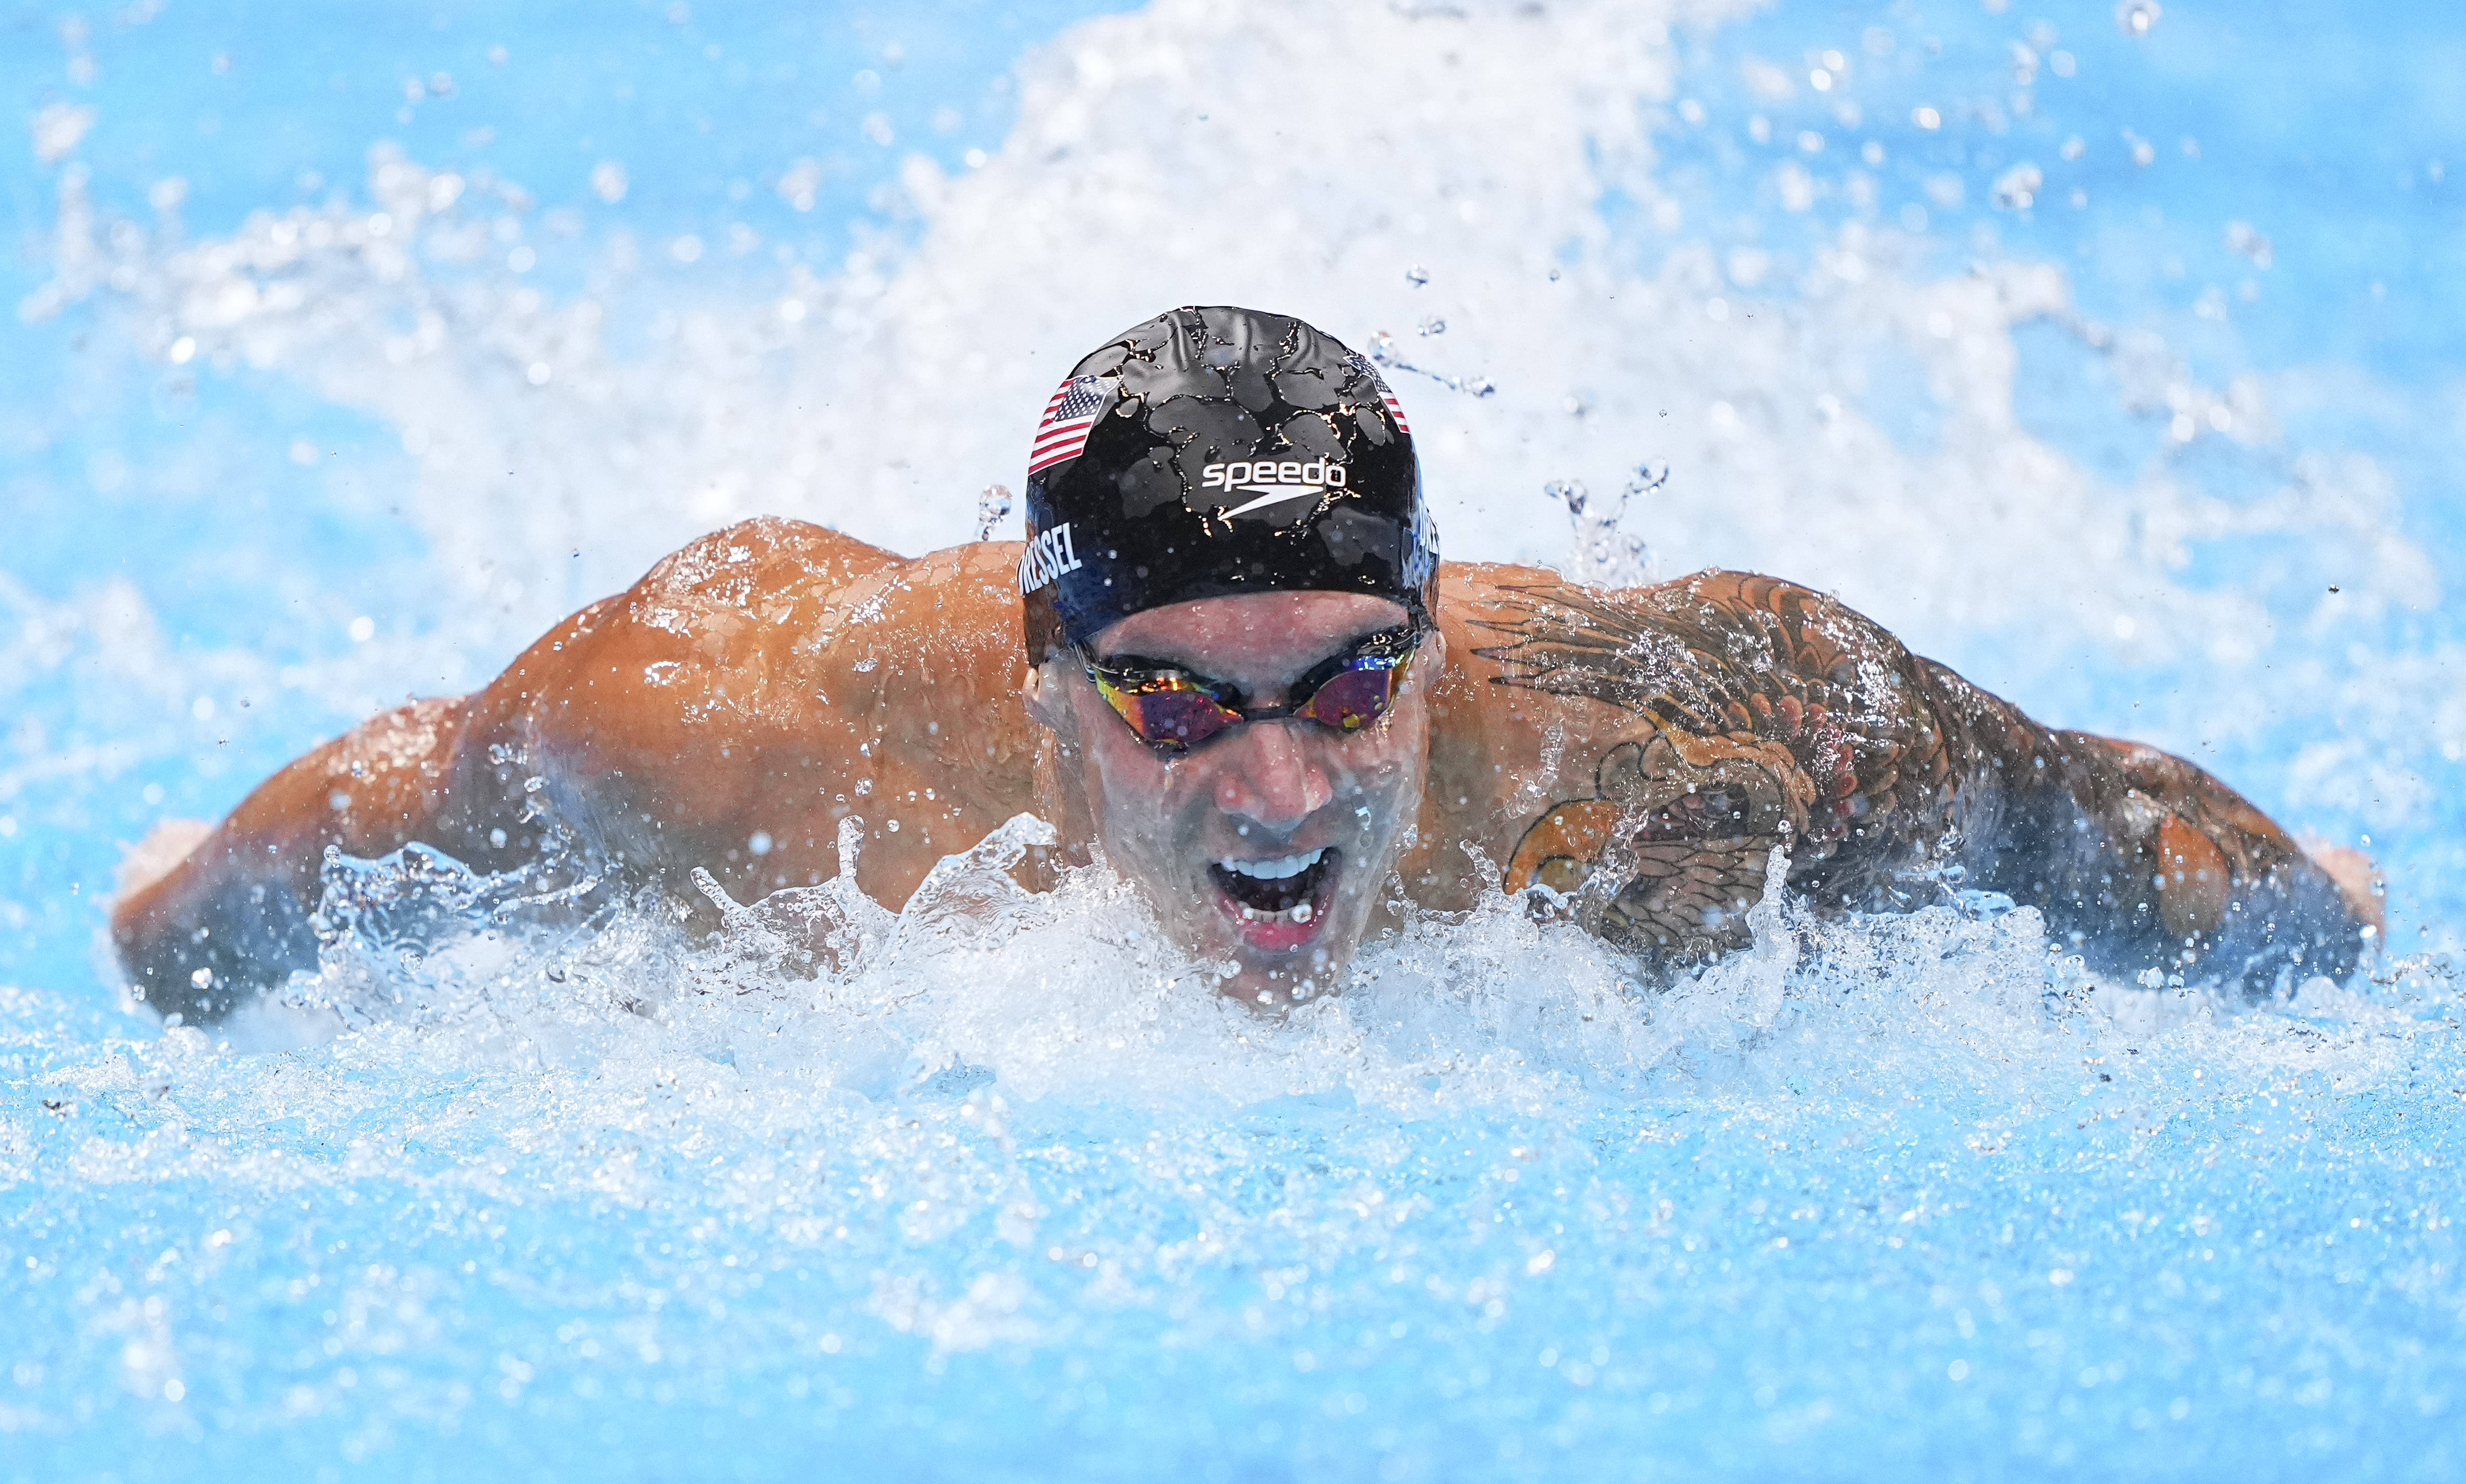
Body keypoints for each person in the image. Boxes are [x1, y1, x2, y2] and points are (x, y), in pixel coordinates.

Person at [110, 306, 2382, 1023]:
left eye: (1348, 685)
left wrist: (2328, 927)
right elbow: (379, 809)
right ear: (1040, 672)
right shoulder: (725, 726)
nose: (1284, 794)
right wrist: (166, 933)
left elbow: (2083, 811)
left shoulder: (1674, 740)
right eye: (1179, 704)